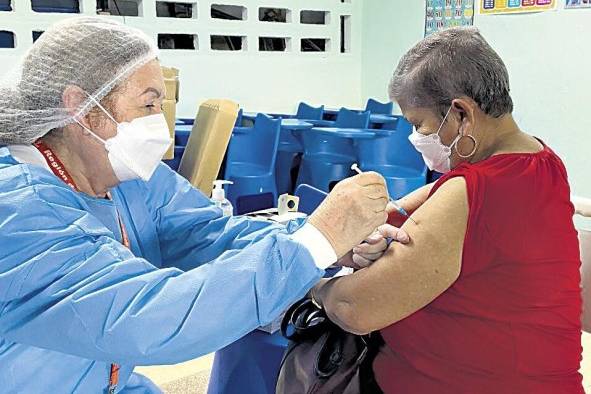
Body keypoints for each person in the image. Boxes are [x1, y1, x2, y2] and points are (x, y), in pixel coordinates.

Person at [0, 17, 392, 393]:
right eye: (148, 105)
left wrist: (327, 240)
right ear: (82, 108)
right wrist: (316, 242)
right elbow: (152, 319)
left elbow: (209, 234)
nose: (161, 125)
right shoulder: (18, 215)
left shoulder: (126, 182)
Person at [310, 27, 583, 393]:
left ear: (461, 115)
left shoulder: (472, 191)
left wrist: (312, 287)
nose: (417, 138)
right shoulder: (542, 161)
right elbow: (415, 208)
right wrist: (376, 234)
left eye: (419, 125)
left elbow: (354, 308)